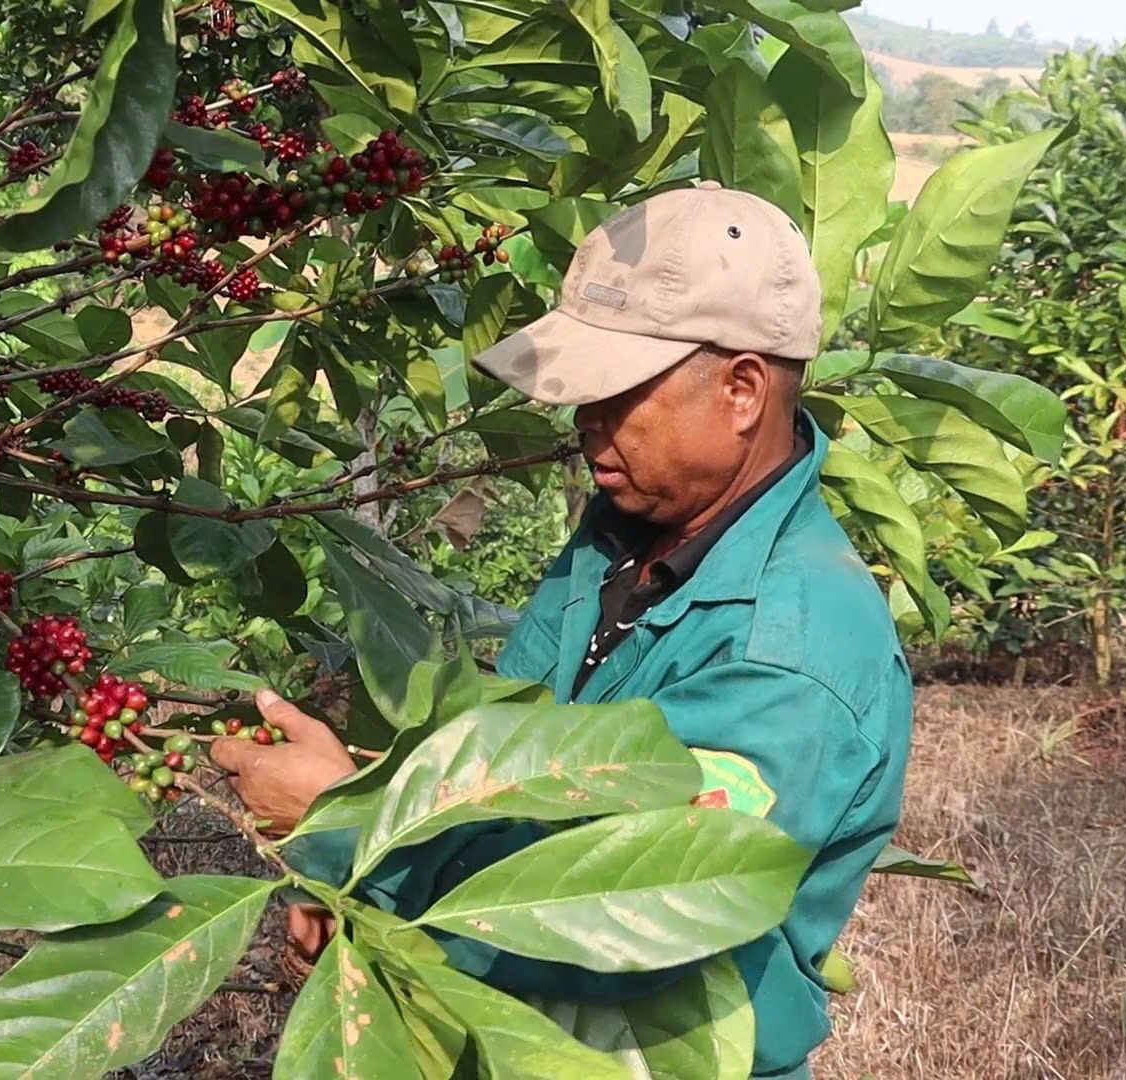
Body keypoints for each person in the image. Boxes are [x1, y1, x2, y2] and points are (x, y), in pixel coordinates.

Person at [211, 182, 913, 1079]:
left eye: (616, 390)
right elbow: (509, 757)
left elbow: (613, 905)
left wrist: (353, 827)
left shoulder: (789, 657)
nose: (584, 421)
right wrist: (369, 895)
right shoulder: (623, 537)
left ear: (742, 390)